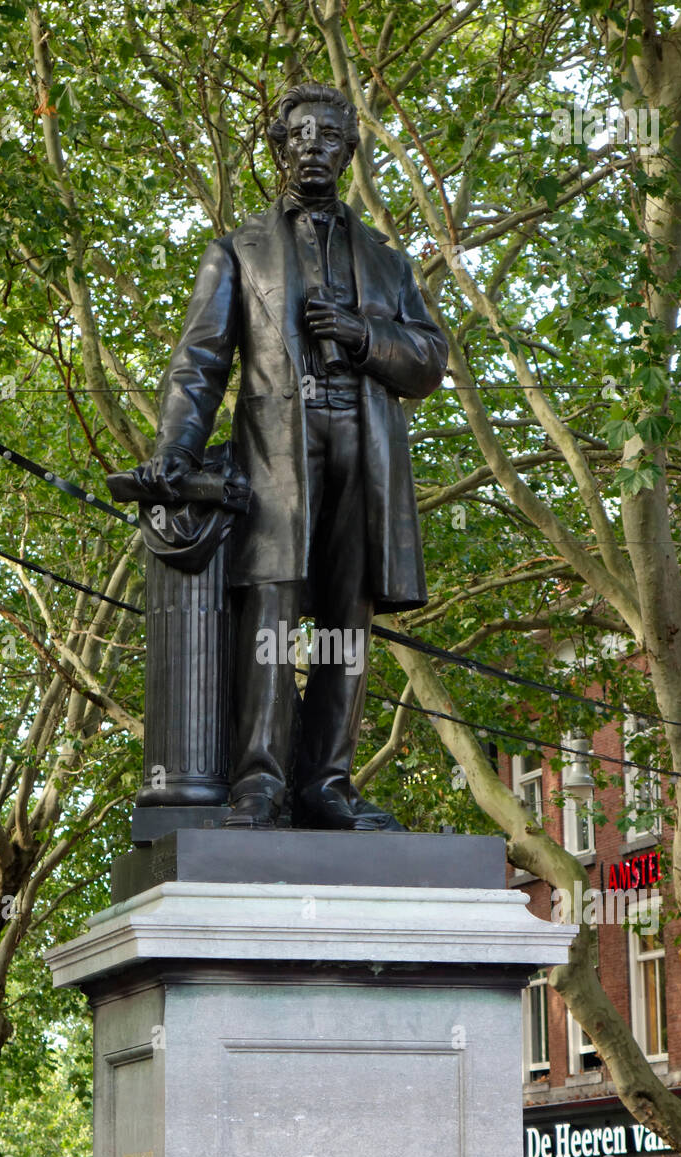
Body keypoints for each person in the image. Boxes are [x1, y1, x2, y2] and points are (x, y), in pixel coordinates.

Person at [140, 81, 448, 829]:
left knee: (346, 614)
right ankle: (261, 782)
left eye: (329, 137)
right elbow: (200, 363)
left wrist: (364, 334)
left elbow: (432, 360)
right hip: (278, 450)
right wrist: (175, 449)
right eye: (300, 135)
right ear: (278, 147)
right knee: (272, 609)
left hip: (364, 452)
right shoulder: (236, 251)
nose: (314, 148)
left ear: (349, 150)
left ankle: (327, 783)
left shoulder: (386, 259)